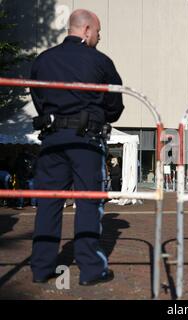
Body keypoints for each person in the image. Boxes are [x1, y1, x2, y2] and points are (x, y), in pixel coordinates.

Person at [29, 9, 124, 285]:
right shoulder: (100, 61)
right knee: (88, 203)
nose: (99, 36)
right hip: (86, 140)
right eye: (97, 31)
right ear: (86, 30)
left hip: (52, 139)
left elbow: (38, 98)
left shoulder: (42, 61)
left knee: (48, 203)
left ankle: (41, 267)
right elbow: (115, 106)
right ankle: (91, 269)